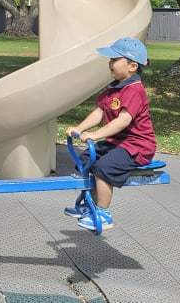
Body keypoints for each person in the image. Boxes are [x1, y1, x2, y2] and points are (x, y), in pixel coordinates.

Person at [63, 36, 156, 231]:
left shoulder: (134, 90)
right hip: (119, 142)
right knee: (87, 158)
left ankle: (103, 213)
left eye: (114, 59)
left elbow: (123, 120)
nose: (110, 63)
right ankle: (91, 206)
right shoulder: (114, 87)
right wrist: (80, 129)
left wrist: (96, 135)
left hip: (137, 145)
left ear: (132, 66)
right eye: (110, 59)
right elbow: (99, 112)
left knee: (104, 167)